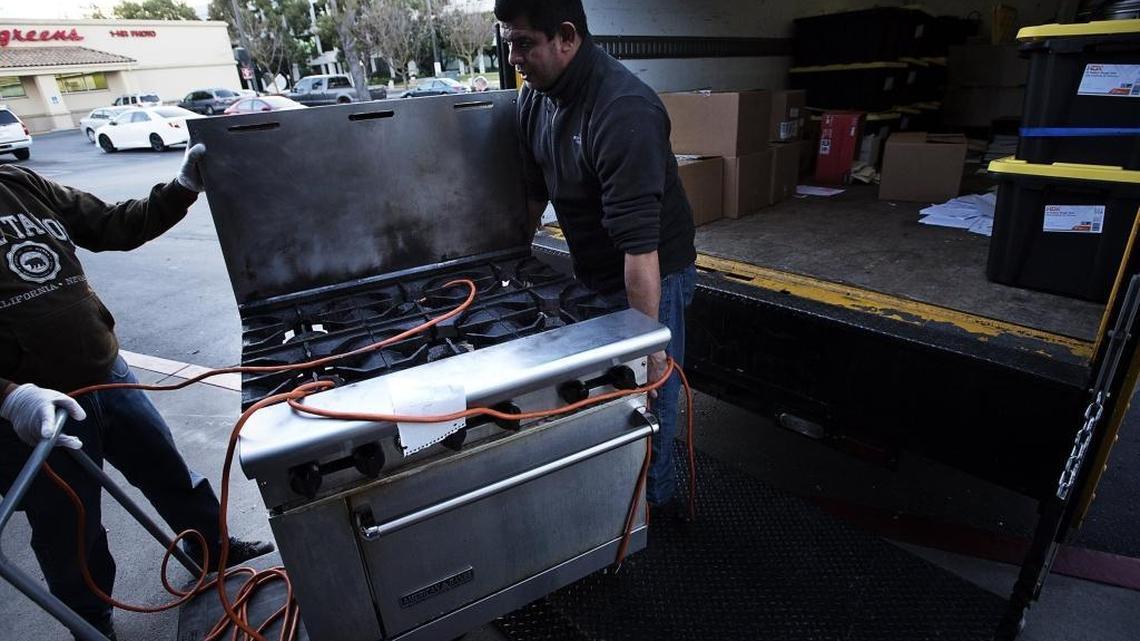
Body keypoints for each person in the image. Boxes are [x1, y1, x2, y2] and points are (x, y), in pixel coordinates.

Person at [0, 145, 273, 640]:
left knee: (168, 470)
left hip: (106, 373)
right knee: (69, 525)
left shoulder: (18, 185)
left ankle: (213, 549)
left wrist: (181, 189)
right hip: (34, 410)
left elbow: (111, 225)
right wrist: (8, 396)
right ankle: (90, 618)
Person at [496, 0, 698, 515]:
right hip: (595, 268)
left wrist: (651, 349)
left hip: (653, 271)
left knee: (653, 395)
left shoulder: (623, 109)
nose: (514, 56)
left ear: (566, 37)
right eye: (508, 41)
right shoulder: (536, 99)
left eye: (523, 43)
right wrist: (511, 265)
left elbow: (640, 250)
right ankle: (614, 501)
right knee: (607, 393)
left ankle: (658, 502)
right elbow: (530, 194)